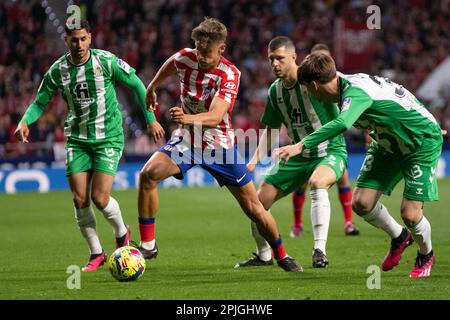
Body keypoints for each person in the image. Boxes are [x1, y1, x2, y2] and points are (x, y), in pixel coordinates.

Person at [136, 18, 302, 272]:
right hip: (187, 140)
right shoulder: (185, 57)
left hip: (219, 147)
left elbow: (215, 117)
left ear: (221, 49)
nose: (200, 57)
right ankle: (148, 246)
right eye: (198, 50)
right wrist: (152, 86)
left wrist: (185, 117)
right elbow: (171, 64)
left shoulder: (230, 74)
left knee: (255, 209)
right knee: (148, 174)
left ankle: (281, 255)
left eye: (207, 52)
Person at [14, 20, 165, 272]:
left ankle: (122, 233)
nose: (79, 44)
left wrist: (150, 119)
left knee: (99, 196)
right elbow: (40, 101)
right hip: (77, 138)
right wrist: (24, 121)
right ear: (66, 41)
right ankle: (96, 253)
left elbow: (138, 84)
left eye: (83, 39)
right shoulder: (58, 70)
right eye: (74, 40)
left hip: (108, 136)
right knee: (79, 198)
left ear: (90, 38)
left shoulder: (105, 61)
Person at [276, 51, 443, 277]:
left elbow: (343, 123)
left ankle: (426, 254)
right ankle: (400, 237)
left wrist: (301, 145)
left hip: (419, 144)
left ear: (314, 86)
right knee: (362, 203)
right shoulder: (345, 83)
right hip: (387, 143)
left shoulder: (354, 93)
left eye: (307, 90)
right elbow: (396, 98)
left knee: (410, 214)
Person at [235, 36, 348, 269]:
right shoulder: (275, 91)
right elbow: (271, 130)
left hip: (329, 150)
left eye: (280, 58)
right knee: (256, 203)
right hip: (297, 155)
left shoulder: (314, 81)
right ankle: (264, 255)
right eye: (271, 59)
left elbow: (348, 100)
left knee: (318, 183)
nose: (275, 64)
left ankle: (320, 250)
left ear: (294, 57)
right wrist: (254, 161)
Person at [290, 44, 359, 238]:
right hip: (310, 139)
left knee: (343, 178)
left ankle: (348, 223)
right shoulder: (306, 85)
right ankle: (297, 224)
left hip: (333, 139)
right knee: (303, 184)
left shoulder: (338, 83)